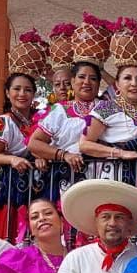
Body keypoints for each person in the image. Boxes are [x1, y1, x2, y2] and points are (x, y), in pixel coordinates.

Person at [28, 61, 102, 202]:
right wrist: (64, 155)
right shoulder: (60, 110)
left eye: (93, 78)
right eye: (81, 77)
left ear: (98, 84)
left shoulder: (106, 107)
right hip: (63, 176)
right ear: (73, 82)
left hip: (100, 175)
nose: (86, 82)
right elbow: (34, 143)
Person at [0, 72, 45, 241]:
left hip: (40, 179)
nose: (22, 94)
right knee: (14, 233)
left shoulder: (42, 119)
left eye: (27, 90)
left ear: (34, 94)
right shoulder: (3, 121)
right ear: (7, 93)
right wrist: (12, 159)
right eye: (16, 89)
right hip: (15, 182)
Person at [79, 64, 137, 187]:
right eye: (127, 78)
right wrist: (121, 153)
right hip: (116, 174)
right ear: (117, 84)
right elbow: (85, 145)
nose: (134, 83)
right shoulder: (106, 107)